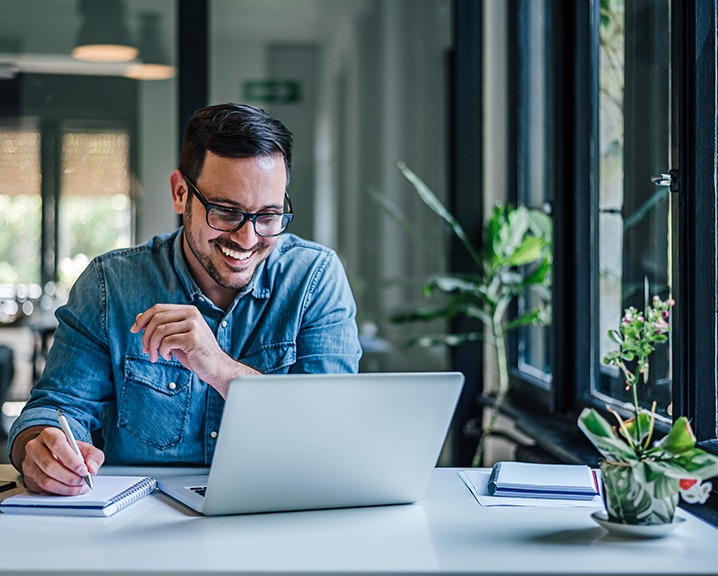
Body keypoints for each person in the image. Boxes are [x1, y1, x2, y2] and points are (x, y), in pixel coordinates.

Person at [8, 103, 362, 495]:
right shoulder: (112, 284)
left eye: (268, 216)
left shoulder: (314, 279)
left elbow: (330, 430)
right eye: (226, 212)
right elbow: (57, 408)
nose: (247, 239)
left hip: (277, 513)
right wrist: (40, 449)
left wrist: (220, 368)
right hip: (141, 525)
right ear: (181, 193)